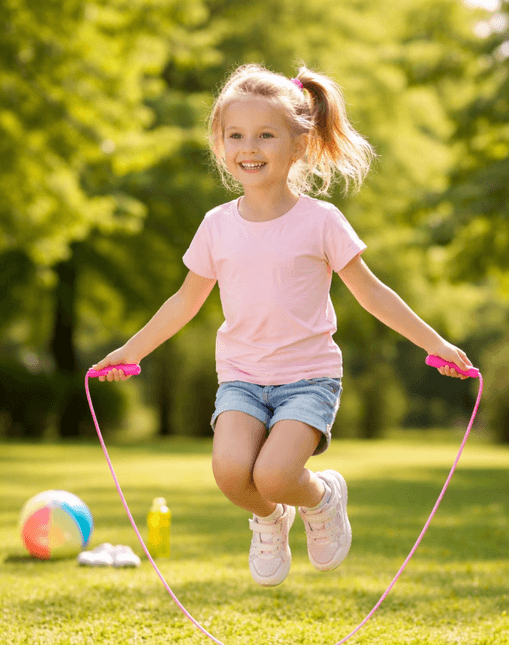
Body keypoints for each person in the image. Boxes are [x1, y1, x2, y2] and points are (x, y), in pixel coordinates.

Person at [92, 63, 475, 587]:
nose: (249, 147)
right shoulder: (216, 226)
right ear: (221, 145)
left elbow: (372, 293)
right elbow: (183, 302)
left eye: (266, 135)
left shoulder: (321, 221)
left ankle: (322, 499)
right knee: (231, 474)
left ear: (298, 145)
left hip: (309, 379)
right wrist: (128, 352)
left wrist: (438, 344)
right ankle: (271, 519)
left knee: (273, 474)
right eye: (236, 135)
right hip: (242, 379)